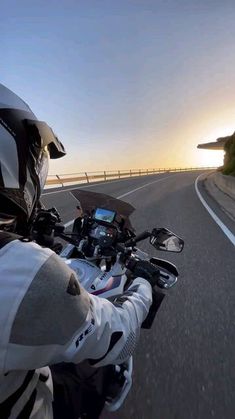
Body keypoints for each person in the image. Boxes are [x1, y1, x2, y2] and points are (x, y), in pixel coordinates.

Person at [0, 84, 153, 418]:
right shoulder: (21, 272)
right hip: (35, 405)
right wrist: (143, 289)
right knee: (88, 374)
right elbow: (122, 336)